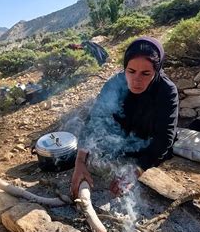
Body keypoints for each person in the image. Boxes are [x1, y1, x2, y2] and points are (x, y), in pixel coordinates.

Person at [70, 37, 179, 198]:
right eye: (131, 71)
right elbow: (95, 119)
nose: (136, 80)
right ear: (125, 68)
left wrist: (136, 171)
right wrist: (79, 162)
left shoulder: (166, 91)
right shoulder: (115, 83)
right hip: (119, 142)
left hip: (147, 148)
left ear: (157, 70)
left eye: (146, 73)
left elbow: (164, 138)